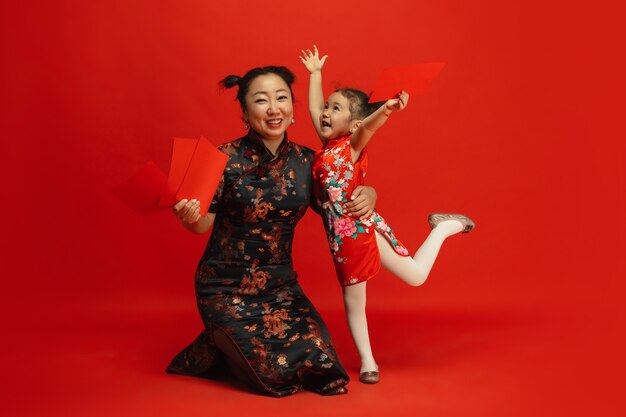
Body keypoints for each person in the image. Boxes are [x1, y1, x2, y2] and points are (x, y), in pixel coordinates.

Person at [165, 65, 379, 397]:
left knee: (323, 367)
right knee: (274, 375)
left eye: (281, 98)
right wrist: (187, 215)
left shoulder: (309, 162)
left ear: (293, 108)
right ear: (244, 112)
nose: (273, 108)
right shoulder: (222, 158)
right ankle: (219, 339)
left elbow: (336, 205)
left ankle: (222, 341)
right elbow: (201, 225)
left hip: (282, 288)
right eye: (261, 100)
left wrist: (368, 193)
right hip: (224, 288)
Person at [299, 45, 475, 384]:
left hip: (363, 232)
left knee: (415, 277)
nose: (324, 112)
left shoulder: (352, 145)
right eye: (327, 107)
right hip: (340, 241)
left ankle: (443, 227)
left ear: (352, 123)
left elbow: (370, 128)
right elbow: (311, 106)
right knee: (353, 300)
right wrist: (315, 74)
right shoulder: (325, 148)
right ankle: (368, 363)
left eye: (334, 109)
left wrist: (388, 110)